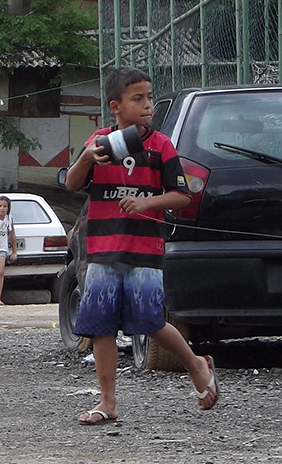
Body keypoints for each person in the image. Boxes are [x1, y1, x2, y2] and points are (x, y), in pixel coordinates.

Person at [63, 66, 218, 425]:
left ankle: (196, 364)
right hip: (103, 249)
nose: (148, 104)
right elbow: (72, 184)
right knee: (101, 325)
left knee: (149, 320)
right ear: (116, 106)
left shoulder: (160, 145)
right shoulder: (100, 142)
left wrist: (148, 203)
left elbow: (181, 195)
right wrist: (86, 156)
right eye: (139, 98)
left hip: (144, 249)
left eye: (149, 97)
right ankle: (107, 402)